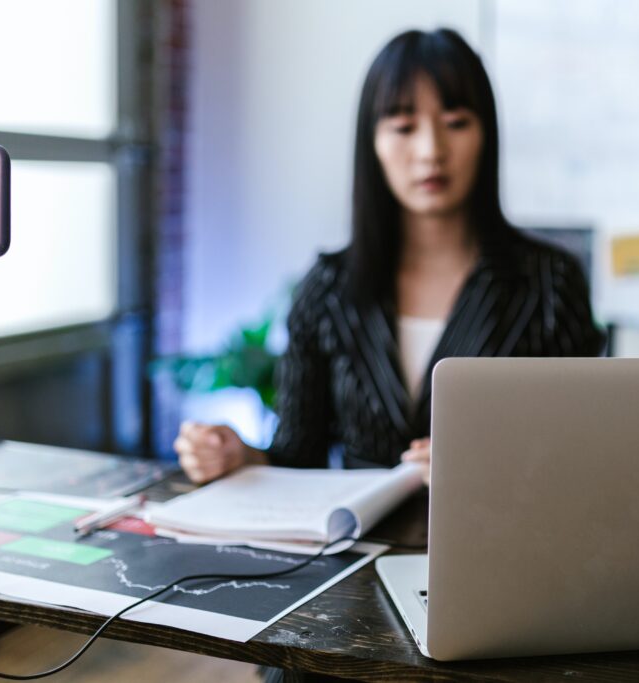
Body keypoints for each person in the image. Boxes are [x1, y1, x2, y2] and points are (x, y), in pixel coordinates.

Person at [176, 28, 605, 487]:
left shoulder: (550, 282)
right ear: (373, 142)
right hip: (357, 550)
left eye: (456, 122)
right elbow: (299, 455)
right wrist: (240, 458)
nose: (430, 151)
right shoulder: (328, 287)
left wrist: (488, 465)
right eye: (403, 127)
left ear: (486, 135)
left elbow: (584, 455)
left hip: (502, 545)